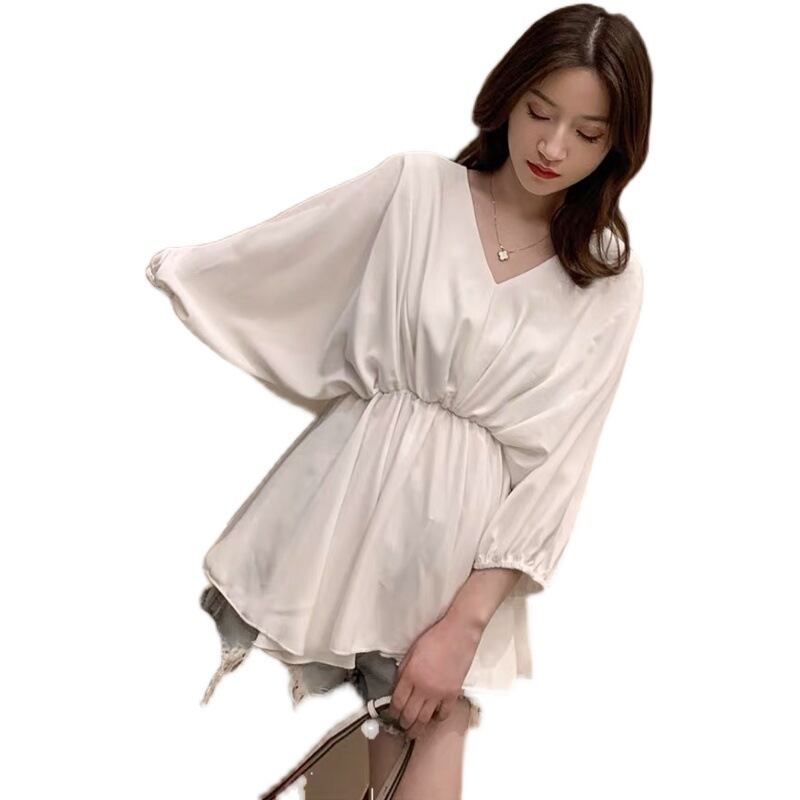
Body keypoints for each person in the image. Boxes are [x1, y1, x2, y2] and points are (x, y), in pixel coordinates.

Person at [145, 5, 652, 797]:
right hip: (345, 511)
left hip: (457, 561)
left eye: (588, 133)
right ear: (507, 97)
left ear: (618, 145)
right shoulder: (418, 189)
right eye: (540, 112)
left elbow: (560, 467)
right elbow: (290, 259)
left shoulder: (605, 276)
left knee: (424, 746)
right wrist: (183, 269)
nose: (554, 147)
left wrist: (465, 623)